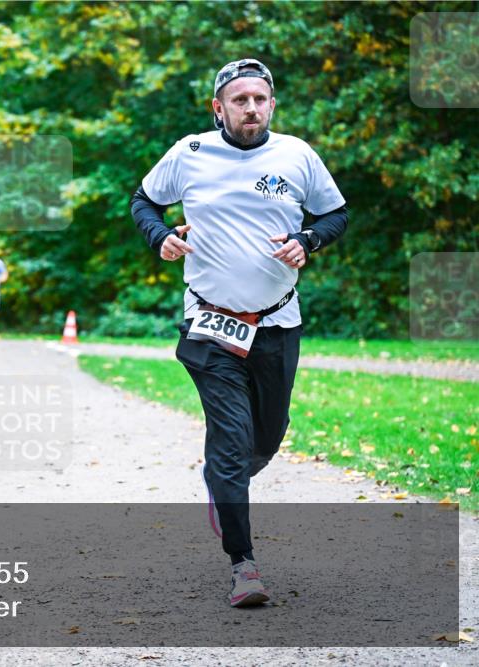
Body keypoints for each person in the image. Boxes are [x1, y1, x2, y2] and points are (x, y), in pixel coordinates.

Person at [130, 58, 348, 607]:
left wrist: (310, 240)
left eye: (260, 98)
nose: (251, 107)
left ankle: (224, 485)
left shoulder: (297, 156)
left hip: (277, 321)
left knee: (267, 437)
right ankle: (243, 565)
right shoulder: (190, 153)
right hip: (209, 324)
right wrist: (160, 235)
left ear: (272, 104)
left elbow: (335, 215)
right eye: (239, 99)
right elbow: (144, 200)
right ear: (219, 107)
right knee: (230, 444)